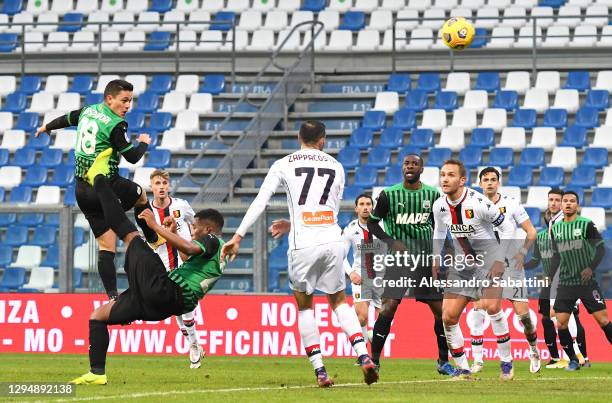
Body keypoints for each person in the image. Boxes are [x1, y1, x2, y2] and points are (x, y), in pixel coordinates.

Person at [221, 121, 378, 387]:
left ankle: (320, 370)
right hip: (332, 241)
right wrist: (294, 222)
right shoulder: (336, 167)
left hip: (302, 245)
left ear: (298, 137)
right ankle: (363, 355)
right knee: (339, 301)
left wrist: (237, 236)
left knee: (305, 306)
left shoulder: (284, 164)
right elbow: (328, 213)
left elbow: (261, 201)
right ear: (323, 141)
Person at [69, 170, 225, 385]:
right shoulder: (211, 251)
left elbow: (188, 247)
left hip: (167, 290)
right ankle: (97, 373)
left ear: (208, 229)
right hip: (161, 303)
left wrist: (154, 226)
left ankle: (100, 179)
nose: (193, 230)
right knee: (98, 316)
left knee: (131, 235)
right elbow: (184, 253)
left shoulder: (213, 239)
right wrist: (174, 232)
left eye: (195, 227)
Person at [34, 79, 163, 300]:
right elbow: (132, 157)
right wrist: (143, 142)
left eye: (130, 101)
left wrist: (46, 127)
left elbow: (67, 119)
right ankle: (153, 239)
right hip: (107, 186)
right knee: (141, 195)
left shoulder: (89, 111)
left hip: (82, 192)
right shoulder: (116, 124)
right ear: (109, 99)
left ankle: (112, 297)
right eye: (124, 100)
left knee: (106, 246)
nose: (128, 106)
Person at [365, 154, 455, 376]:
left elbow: (442, 227)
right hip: (399, 261)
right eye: (407, 163)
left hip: (425, 261)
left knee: (440, 312)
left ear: (421, 169)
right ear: (402, 167)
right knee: (389, 306)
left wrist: (448, 252)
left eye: (415, 164)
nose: (410, 167)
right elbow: (372, 224)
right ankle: (374, 361)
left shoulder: (433, 196)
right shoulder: (388, 195)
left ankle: (443, 361)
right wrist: (392, 242)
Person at [432, 160, 516, 380]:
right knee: (448, 317)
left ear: (462, 180)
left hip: (489, 260)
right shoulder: (439, 205)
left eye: (450, 175)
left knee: (491, 307)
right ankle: (463, 369)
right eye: (442, 175)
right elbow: (439, 233)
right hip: (462, 265)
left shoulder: (479, 203)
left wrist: (500, 259)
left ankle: (506, 362)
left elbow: (508, 227)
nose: (444, 179)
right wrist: (434, 259)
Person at [270, 193, 383, 345]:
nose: (365, 207)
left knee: (387, 313)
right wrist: (351, 273)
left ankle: (372, 335)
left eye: (368, 204)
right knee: (361, 316)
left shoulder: (382, 227)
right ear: (356, 209)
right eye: (361, 204)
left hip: (381, 275)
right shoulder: (350, 229)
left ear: (372, 207)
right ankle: (364, 356)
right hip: (361, 274)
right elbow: (340, 254)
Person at [469, 167, 540, 374]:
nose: (489, 183)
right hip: (486, 266)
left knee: (523, 317)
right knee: (480, 308)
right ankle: (478, 360)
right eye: (486, 180)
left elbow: (531, 231)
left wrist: (523, 252)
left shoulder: (511, 204)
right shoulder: (472, 206)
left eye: (493, 179)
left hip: (511, 266)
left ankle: (534, 349)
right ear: (480, 183)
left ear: (498, 183)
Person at [526, 189, 588, 369]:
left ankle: (579, 356)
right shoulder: (547, 230)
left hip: (566, 278)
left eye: (557, 200)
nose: (553, 203)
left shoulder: (566, 224)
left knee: (567, 317)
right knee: (550, 318)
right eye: (550, 200)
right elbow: (539, 259)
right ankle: (562, 357)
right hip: (551, 280)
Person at [550, 191, 612, 371]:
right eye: (565, 201)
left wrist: (590, 268)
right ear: (561, 205)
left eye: (572, 201)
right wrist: (550, 276)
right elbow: (556, 256)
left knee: (603, 321)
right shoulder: (556, 227)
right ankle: (573, 360)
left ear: (577, 205)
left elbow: (600, 249)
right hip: (566, 283)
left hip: (587, 283)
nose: (568, 204)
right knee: (560, 323)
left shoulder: (586, 224)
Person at [149, 169, 204, 369]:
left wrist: (194, 239)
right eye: (157, 183)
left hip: (185, 261)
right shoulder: (147, 212)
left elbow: (196, 224)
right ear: (151, 187)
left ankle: (194, 346)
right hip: (163, 263)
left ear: (169, 186)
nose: (161, 186)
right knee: (174, 308)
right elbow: (147, 239)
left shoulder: (181, 205)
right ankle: (193, 343)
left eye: (164, 183)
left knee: (186, 303)